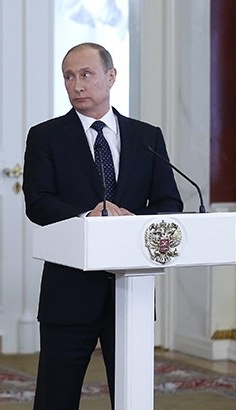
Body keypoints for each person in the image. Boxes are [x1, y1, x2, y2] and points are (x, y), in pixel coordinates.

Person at [22, 42, 183, 409]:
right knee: (56, 397)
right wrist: (89, 216)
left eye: (86, 74)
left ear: (110, 77)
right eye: (69, 76)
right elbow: (39, 203)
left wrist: (127, 221)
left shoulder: (147, 137)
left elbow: (169, 203)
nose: (77, 85)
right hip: (69, 290)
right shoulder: (46, 136)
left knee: (131, 395)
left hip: (131, 290)